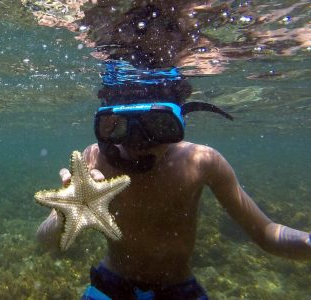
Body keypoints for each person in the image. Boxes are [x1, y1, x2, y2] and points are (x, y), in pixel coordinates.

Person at [34, 2, 311, 299]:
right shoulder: (94, 158)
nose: (139, 142)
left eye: (158, 126)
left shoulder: (203, 162)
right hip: (110, 283)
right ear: (107, 123)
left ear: (179, 119)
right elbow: (43, 242)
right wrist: (67, 210)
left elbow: (268, 234)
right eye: (119, 128)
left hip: (179, 289)